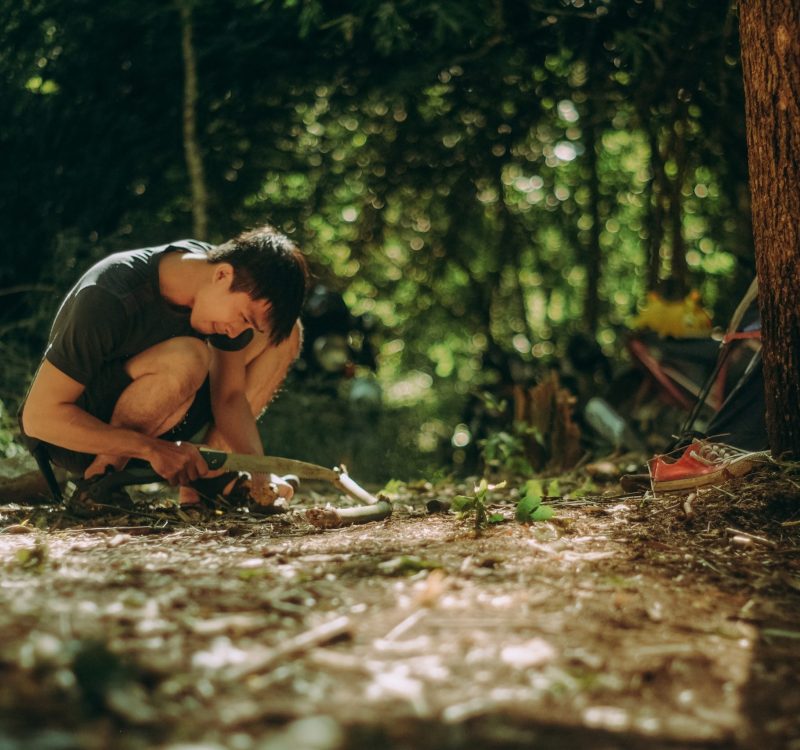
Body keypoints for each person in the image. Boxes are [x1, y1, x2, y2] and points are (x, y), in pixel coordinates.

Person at [19, 224, 308, 508]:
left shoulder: (217, 275)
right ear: (222, 275)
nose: (236, 333)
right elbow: (38, 418)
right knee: (189, 356)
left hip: (163, 418)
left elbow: (230, 397)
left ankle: (210, 480)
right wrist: (151, 449)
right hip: (74, 435)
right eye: (243, 317)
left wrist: (259, 472)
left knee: (285, 335)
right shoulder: (110, 292)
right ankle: (100, 480)